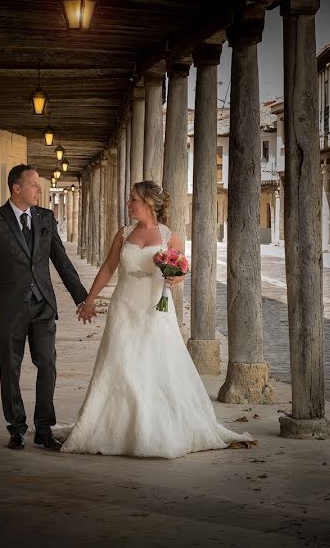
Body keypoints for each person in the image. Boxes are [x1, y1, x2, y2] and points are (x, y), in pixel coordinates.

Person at [64, 180, 254, 458]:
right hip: (124, 307)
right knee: (119, 362)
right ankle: (116, 427)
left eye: (133, 200)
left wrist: (176, 278)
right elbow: (108, 267)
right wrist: (90, 299)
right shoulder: (123, 233)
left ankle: (153, 427)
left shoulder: (170, 237)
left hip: (155, 309)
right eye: (129, 199)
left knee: (154, 364)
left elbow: (179, 270)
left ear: (149, 204)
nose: (128, 204)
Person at [0, 164, 88, 451]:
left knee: (47, 365)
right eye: (35, 184)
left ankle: (43, 428)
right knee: (10, 369)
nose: (40, 189)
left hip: (43, 306)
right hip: (8, 308)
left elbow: (61, 260)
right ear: (17, 188)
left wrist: (82, 298)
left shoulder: (46, 218)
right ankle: (16, 427)